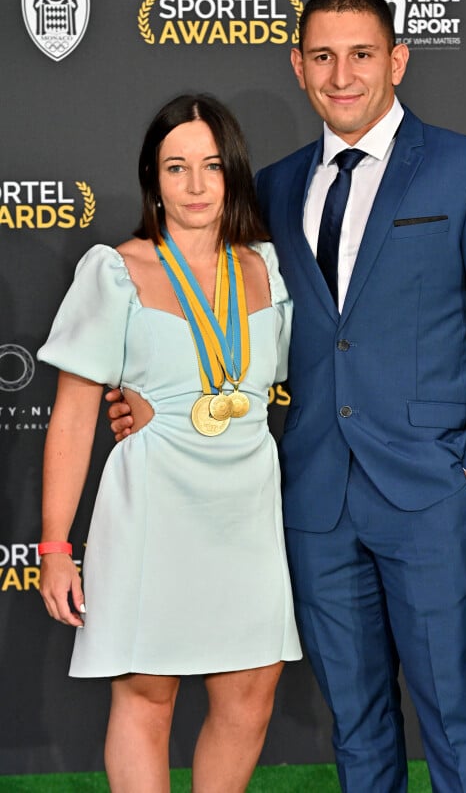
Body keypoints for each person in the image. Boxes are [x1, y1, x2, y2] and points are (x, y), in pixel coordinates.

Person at [109, 0, 466, 792]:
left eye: (361, 54)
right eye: (322, 56)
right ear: (298, 66)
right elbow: (214, 313)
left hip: (429, 493)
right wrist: (154, 398)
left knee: (454, 716)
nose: (341, 74)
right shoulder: (269, 189)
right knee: (357, 724)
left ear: (399, 60)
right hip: (314, 499)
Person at [37, 93, 301, 793]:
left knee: (249, 694)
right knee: (147, 696)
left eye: (211, 166)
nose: (194, 185)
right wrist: (56, 547)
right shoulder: (116, 270)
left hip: (246, 509)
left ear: (233, 174)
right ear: (153, 179)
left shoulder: (270, 271)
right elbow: (71, 416)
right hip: (152, 506)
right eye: (175, 167)